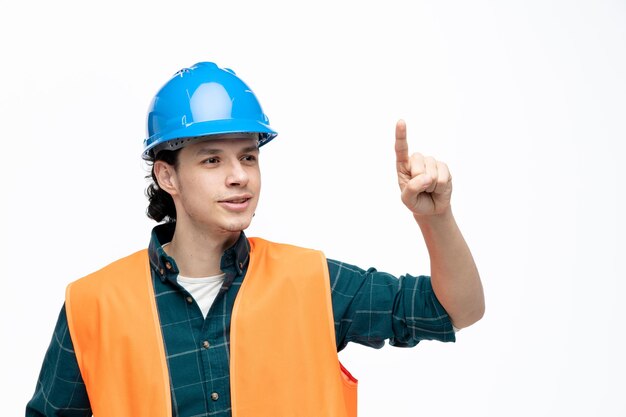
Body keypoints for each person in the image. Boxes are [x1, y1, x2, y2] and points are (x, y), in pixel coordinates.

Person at [26, 61, 484, 417]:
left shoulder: (311, 282)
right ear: (168, 175)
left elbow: (458, 309)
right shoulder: (93, 304)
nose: (239, 176)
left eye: (248, 156)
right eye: (212, 161)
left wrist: (437, 217)